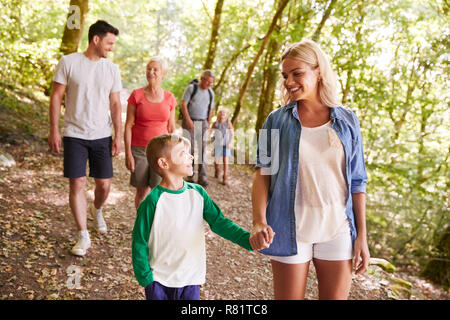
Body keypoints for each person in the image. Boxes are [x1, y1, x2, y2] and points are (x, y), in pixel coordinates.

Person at [250, 39, 370, 300]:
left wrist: (362, 236)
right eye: (285, 75)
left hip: (337, 229)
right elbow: (263, 174)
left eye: (297, 73)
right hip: (290, 229)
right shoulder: (276, 120)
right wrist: (259, 221)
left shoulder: (347, 120)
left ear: (318, 71)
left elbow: (358, 181)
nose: (289, 81)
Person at [131, 134, 268, 300]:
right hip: (159, 281)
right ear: (163, 163)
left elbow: (219, 223)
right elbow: (139, 241)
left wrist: (248, 240)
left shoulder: (198, 193)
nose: (191, 156)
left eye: (189, 152)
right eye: (183, 153)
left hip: (191, 279)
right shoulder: (152, 201)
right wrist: (146, 279)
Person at [48, 20, 122, 257]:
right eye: (109, 43)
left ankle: (97, 209)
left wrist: (118, 135)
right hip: (74, 134)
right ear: (96, 39)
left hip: (102, 135)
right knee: (77, 183)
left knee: (104, 185)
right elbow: (56, 96)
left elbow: (115, 103)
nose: (111, 48)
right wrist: (53, 129)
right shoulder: (69, 62)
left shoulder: (112, 69)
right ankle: (82, 235)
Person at [124, 56, 177, 209]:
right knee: (141, 192)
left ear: (163, 74)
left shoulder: (169, 98)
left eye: (155, 69)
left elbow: (171, 129)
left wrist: (173, 155)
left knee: (158, 191)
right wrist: (128, 153)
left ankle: (156, 226)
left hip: (161, 152)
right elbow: (128, 126)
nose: (151, 72)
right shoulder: (136, 95)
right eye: (149, 68)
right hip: (139, 150)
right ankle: (142, 226)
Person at [180, 70, 215, 187]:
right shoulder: (191, 89)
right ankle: (189, 175)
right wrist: (188, 120)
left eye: (211, 83)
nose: (209, 84)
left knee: (203, 149)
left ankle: (202, 176)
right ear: (202, 78)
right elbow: (183, 104)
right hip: (190, 121)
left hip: (203, 122)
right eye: (207, 82)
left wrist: (208, 123)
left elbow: (210, 109)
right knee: (190, 150)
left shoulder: (211, 92)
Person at [212, 108, 234, 185]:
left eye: (224, 113)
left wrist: (231, 142)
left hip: (226, 144)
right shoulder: (215, 123)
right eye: (220, 113)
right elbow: (211, 132)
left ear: (226, 115)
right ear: (218, 114)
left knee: (225, 160)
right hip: (217, 144)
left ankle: (225, 176)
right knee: (216, 160)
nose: (222, 114)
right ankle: (217, 170)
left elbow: (232, 134)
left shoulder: (228, 123)